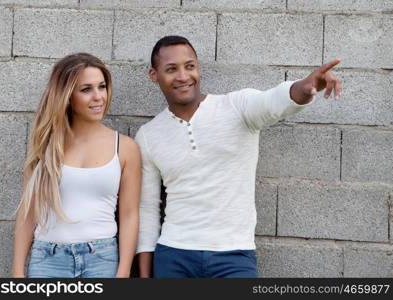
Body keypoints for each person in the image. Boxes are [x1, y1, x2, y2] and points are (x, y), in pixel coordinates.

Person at [135, 35, 341, 278]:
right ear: (154, 75)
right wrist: (145, 275)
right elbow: (147, 209)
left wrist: (304, 89)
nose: (183, 76)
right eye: (171, 69)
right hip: (174, 256)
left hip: (233, 256)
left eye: (189, 66)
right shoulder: (148, 135)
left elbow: (272, 102)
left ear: (198, 68)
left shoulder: (236, 107)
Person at [12, 53, 141, 278]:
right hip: (48, 261)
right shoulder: (45, 144)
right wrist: (17, 271)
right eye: (86, 89)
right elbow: (28, 211)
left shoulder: (125, 148)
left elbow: (129, 214)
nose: (98, 97)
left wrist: (123, 272)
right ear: (67, 95)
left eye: (102, 87)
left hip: (102, 259)